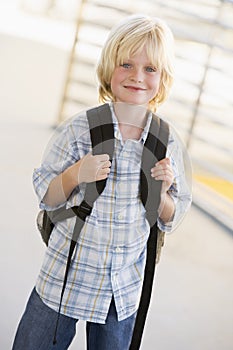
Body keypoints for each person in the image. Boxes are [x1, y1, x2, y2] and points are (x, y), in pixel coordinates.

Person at [12, 14, 191, 350]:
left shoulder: (165, 142)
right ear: (110, 69)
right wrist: (76, 173)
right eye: (126, 65)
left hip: (120, 291)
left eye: (150, 69)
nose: (137, 77)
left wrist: (163, 192)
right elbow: (48, 196)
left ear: (163, 78)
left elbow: (170, 216)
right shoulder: (80, 130)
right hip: (64, 277)